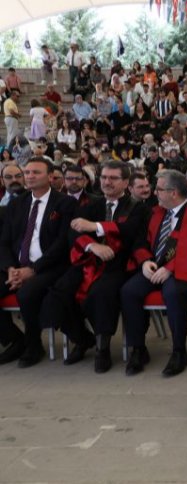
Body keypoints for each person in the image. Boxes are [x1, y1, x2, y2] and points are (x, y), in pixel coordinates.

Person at [37, 161, 147, 373]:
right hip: (88, 262)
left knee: (100, 293)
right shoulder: (91, 204)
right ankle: (83, 339)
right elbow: (74, 232)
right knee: (57, 294)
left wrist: (95, 227)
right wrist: (92, 245)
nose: (107, 182)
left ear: (125, 182)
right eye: (104, 177)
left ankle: (102, 348)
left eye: (113, 178)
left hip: (119, 265)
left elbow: (130, 230)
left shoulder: (137, 207)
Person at [121, 170, 187, 377]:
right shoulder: (154, 213)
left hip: (186, 271)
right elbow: (140, 241)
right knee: (129, 291)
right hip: (155, 268)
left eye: (160, 189)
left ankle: (179, 351)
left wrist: (170, 269)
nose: (155, 192)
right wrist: (145, 261)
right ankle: (138, 348)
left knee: (173, 292)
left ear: (173, 193)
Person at [0, 157, 77, 367]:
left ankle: (34, 345)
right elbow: (4, 241)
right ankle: (15, 340)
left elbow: (62, 244)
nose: (30, 176)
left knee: (27, 293)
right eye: (27, 173)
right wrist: (10, 269)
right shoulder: (16, 203)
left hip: (50, 266)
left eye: (36, 172)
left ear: (50, 176)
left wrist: (32, 270)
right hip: (16, 266)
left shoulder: (65, 203)